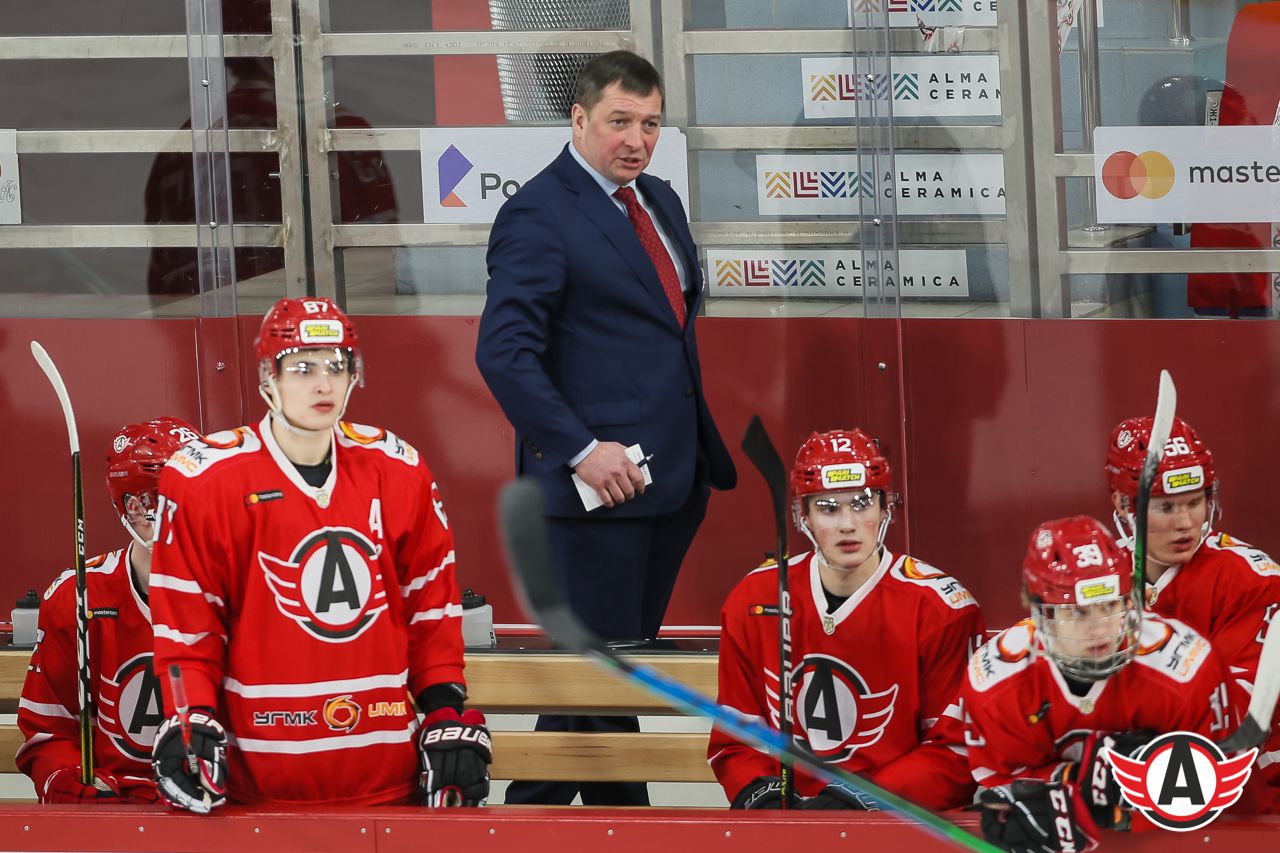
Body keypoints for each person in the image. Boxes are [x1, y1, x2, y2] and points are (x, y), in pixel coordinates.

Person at [475, 49, 736, 806]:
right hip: (592, 498)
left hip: (669, 487)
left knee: (600, 684)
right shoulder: (539, 212)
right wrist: (582, 449)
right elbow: (503, 353)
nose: (636, 140)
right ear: (579, 118)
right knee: (594, 685)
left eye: (650, 124)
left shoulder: (659, 200)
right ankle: (563, 824)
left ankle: (586, 824)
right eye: (620, 121)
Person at [149, 297, 489, 811]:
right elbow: (186, 631)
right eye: (303, 368)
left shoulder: (398, 469)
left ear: (355, 375)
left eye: (336, 366)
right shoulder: (206, 480)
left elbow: (430, 608)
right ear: (268, 378)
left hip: (387, 774)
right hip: (257, 781)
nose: (324, 384)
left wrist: (445, 710)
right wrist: (188, 716)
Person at [709, 429, 984, 811]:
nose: (847, 524)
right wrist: (765, 799)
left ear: (885, 508)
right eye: (827, 507)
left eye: (862, 503)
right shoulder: (754, 599)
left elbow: (955, 751)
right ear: (802, 515)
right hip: (789, 823)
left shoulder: (941, 608)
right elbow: (736, 740)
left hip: (901, 824)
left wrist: (860, 801)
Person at [964, 516, 1244, 852]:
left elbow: (1221, 794)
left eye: (1110, 606)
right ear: (1040, 613)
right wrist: (1079, 782)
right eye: (1078, 613)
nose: (1099, 629)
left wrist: (1146, 791)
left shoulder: (1184, 667)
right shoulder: (998, 679)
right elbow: (1008, 793)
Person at [16, 417, 199, 804]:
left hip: (214, 809)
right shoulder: (78, 596)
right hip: (116, 806)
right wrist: (66, 779)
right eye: (166, 500)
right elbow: (49, 730)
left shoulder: (244, 591)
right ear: (133, 507)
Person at [1104, 415, 1280, 811]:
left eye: (1195, 502)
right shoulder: (1098, 578)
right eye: (1166, 507)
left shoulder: (1250, 580)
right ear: (1122, 504)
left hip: (1248, 796)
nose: (1185, 523)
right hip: (1133, 787)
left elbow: (1238, 717)